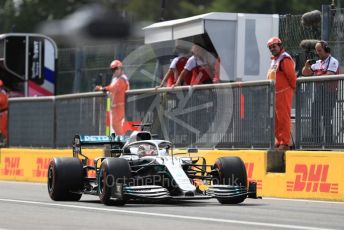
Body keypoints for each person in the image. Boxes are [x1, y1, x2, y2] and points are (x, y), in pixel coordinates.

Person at [302, 40, 340, 144]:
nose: (317, 53)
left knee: (327, 119)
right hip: (319, 94)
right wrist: (306, 65)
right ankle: (317, 141)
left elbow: (330, 75)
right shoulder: (318, 63)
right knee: (315, 118)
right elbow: (305, 73)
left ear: (326, 50)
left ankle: (328, 143)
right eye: (316, 51)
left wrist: (317, 76)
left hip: (330, 94)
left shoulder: (333, 61)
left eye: (319, 50)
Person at [266, 37, 297, 150]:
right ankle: (279, 141)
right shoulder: (275, 60)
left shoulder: (284, 59)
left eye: (274, 46)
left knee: (283, 117)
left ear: (280, 45)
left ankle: (285, 142)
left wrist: (292, 89)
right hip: (275, 93)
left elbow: (291, 77)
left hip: (283, 93)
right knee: (276, 119)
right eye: (270, 47)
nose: (272, 49)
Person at [95, 60, 130, 136]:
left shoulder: (123, 79)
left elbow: (113, 87)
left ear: (121, 69)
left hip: (122, 106)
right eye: (113, 70)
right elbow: (112, 89)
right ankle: (121, 141)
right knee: (114, 126)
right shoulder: (116, 79)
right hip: (116, 107)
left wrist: (102, 88)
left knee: (119, 125)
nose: (115, 71)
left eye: (116, 69)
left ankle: (123, 141)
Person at [0, 80, 8, 145]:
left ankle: (6, 142)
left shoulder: (2, 93)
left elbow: (1, 101)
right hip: (2, 113)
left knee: (2, 129)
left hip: (3, 113)